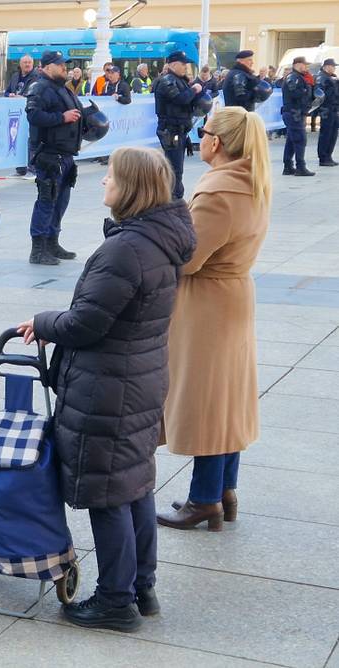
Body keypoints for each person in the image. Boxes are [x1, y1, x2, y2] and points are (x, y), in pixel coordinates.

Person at [16, 147, 196, 632]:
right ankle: (142, 586)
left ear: (131, 187)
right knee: (133, 484)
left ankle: (116, 599)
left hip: (109, 387)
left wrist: (42, 321)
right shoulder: (157, 239)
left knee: (107, 493)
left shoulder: (127, 248)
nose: (103, 183)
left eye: (111, 177)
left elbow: (87, 322)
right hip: (135, 378)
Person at [157, 108, 271, 531]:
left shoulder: (220, 192)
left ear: (216, 143)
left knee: (208, 401)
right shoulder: (249, 181)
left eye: (201, 132)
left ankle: (204, 498)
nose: (198, 137)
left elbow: (187, 259)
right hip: (231, 295)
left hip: (208, 301)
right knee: (226, 397)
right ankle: (223, 489)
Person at [25, 50, 84, 265]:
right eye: (60, 65)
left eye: (64, 65)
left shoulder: (62, 89)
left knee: (61, 201)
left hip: (65, 154)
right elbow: (33, 115)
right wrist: (62, 117)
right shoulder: (39, 87)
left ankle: (52, 241)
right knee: (47, 200)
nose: (64, 68)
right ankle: (38, 249)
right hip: (49, 154)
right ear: (47, 67)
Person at [152, 50, 204, 200]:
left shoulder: (179, 79)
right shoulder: (167, 80)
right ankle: (173, 200)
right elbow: (181, 99)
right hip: (170, 130)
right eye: (183, 64)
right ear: (174, 65)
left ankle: (174, 199)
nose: (186, 67)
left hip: (179, 130)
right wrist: (194, 89)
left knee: (176, 169)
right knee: (174, 169)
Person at [281, 56, 315, 176]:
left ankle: (288, 166)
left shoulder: (299, 77)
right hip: (293, 112)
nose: (306, 67)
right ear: (298, 64)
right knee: (300, 139)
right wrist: (306, 90)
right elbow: (295, 93)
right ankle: (300, 167)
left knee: (292, 140)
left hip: (295, 112)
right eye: (304, 65)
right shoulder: (293, 77)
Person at [315, 58, 338, 167]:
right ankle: (323, 157)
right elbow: (320, 94)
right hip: (326, 109)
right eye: (332, 66)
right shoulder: (322, 78)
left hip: (333, 109)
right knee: (326, 133)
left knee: (333, 134)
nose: (334, 68)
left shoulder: (331, 78)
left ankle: (328, 156)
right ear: (326, 67)